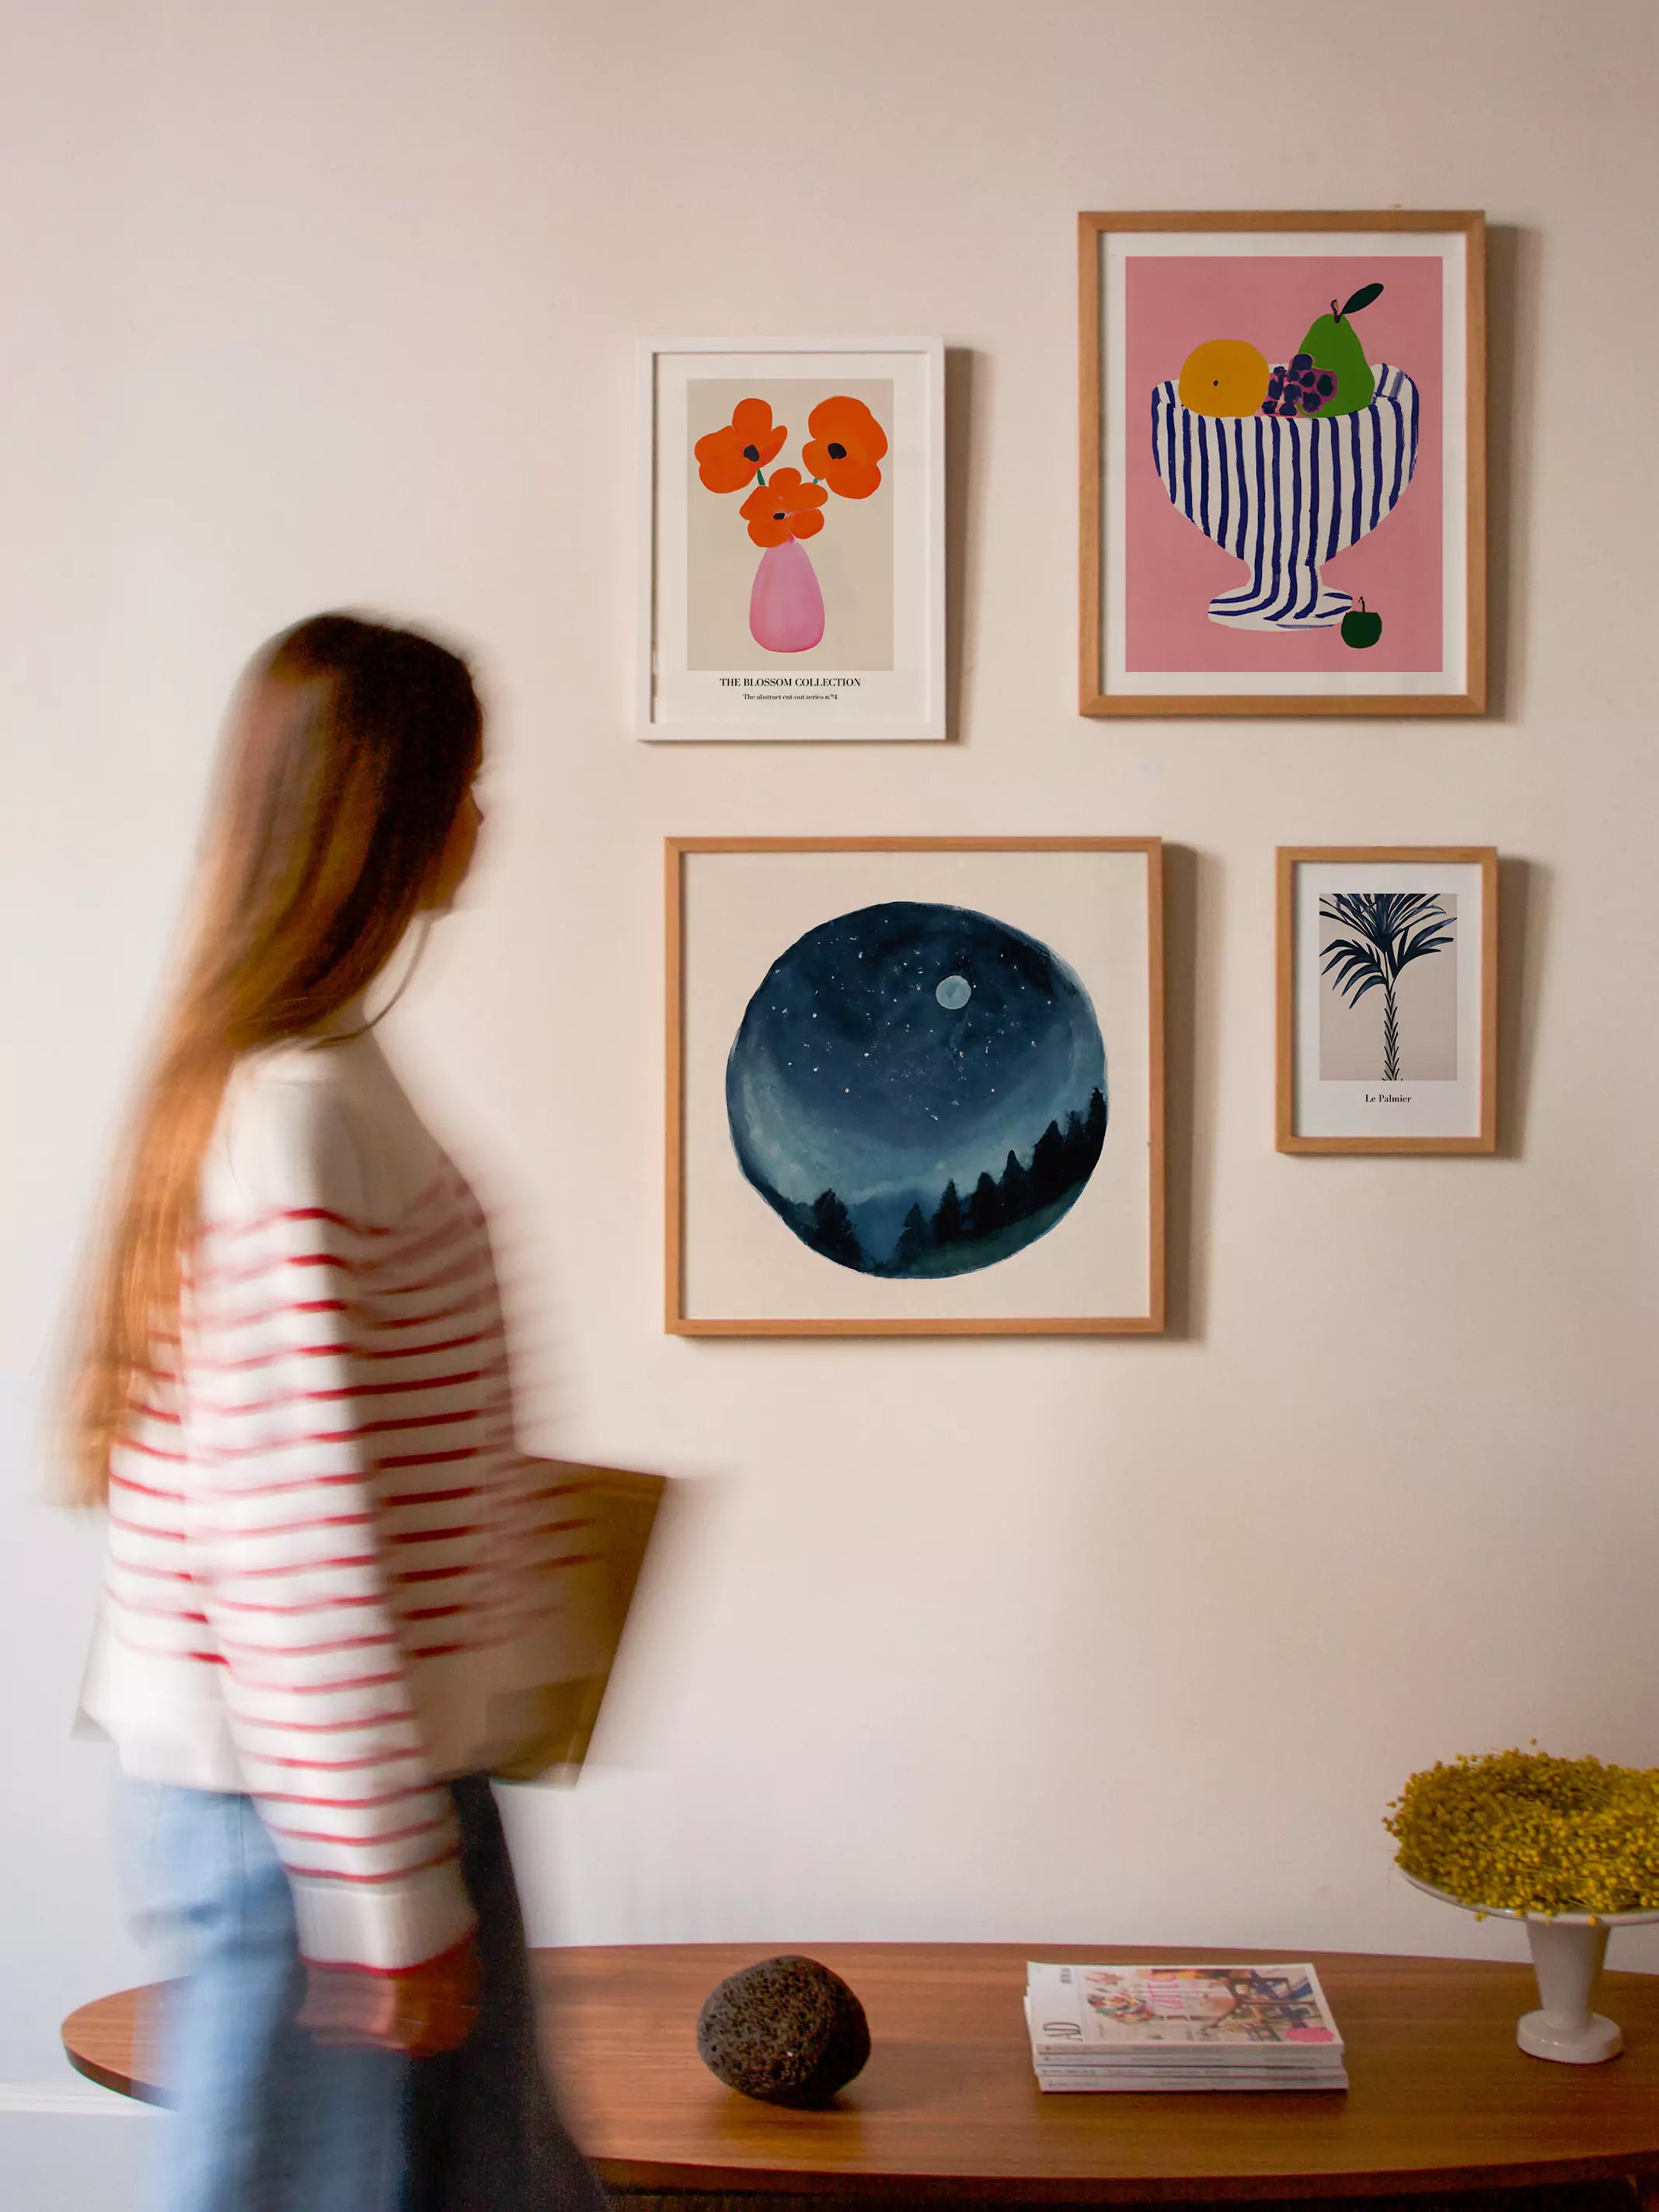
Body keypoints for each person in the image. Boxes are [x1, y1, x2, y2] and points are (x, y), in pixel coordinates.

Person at [64, 613, 608, 2212]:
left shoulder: (323, 1084)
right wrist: (387, 1890)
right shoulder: (294, 1117)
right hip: (306, 1823)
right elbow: (290, 1542)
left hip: (363, 1791)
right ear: (391, 815)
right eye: (467, 784)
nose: (486, 820)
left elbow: (362, 1462)